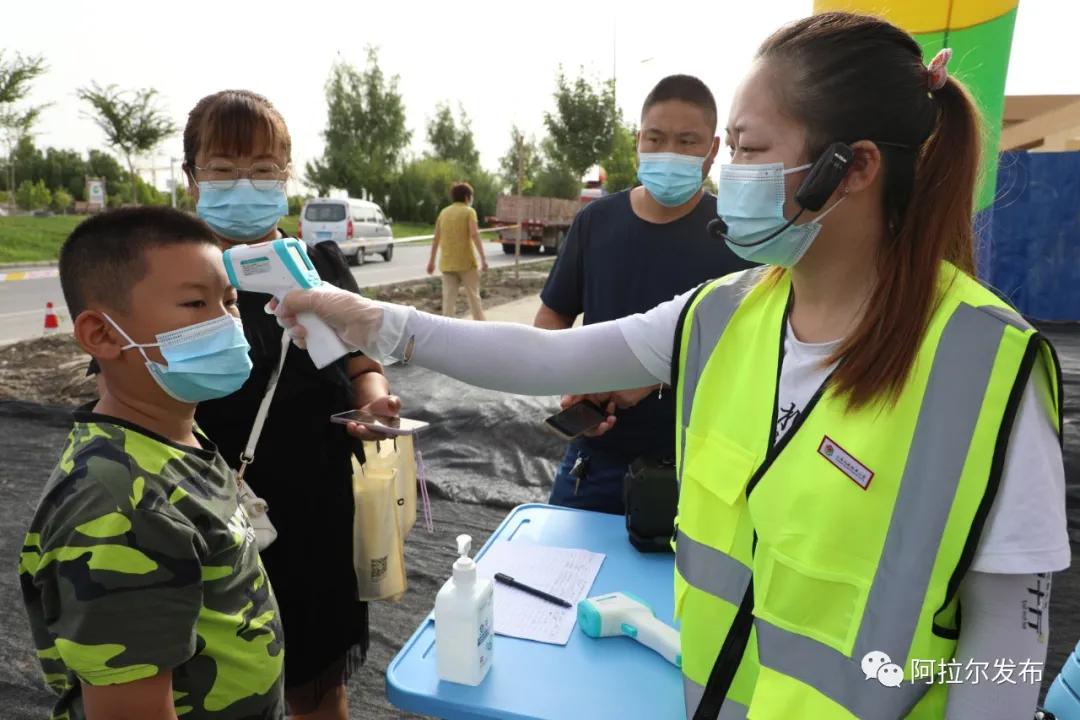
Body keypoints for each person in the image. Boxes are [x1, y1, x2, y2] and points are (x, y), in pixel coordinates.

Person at [275, 12, 1070, 719]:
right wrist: (375, 320)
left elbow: (1003, 638)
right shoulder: (724, 312)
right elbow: (543, 351)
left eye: (751, 151)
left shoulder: (983, 365)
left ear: (853, 168)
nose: (728, 175)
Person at [183, 90, 398, 720]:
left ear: (287, 174)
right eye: (223, 169)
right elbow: (123, 386)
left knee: (317, 684)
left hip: (315, 508)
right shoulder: (168, 270)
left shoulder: (318, 265)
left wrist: (376, 403)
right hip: (200, 510)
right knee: (205, 679)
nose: (243, 184)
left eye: (264, 169)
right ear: (193, 176)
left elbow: (362, 364)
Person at [19, 207, 284, 719]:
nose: (229, 323)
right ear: (101, 335)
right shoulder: (119, 509)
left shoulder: (174, 435)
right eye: (195, 303)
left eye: (229, 302)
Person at [536, 74, 755, 514]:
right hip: (595, 460)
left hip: (697, 472)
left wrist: (654, 376)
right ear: (638, 140)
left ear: (712, 150)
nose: (668, 153)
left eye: (686, 141)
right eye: (655, 138)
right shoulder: (596, 222)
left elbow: (753, 350)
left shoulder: (739, 235)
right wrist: (573, 383)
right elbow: (551, 320)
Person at [427, 181, 489, 320]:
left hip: (447, 264)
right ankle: (482, 329)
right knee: (474, 298)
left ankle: (446, 331)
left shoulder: (443, 213)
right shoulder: (469, 212)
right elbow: (474, 234)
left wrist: (431, 262)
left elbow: (436, 238)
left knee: (448, 302)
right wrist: (483, 259)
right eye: (471, 196)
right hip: (467, 263)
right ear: (467, 197)